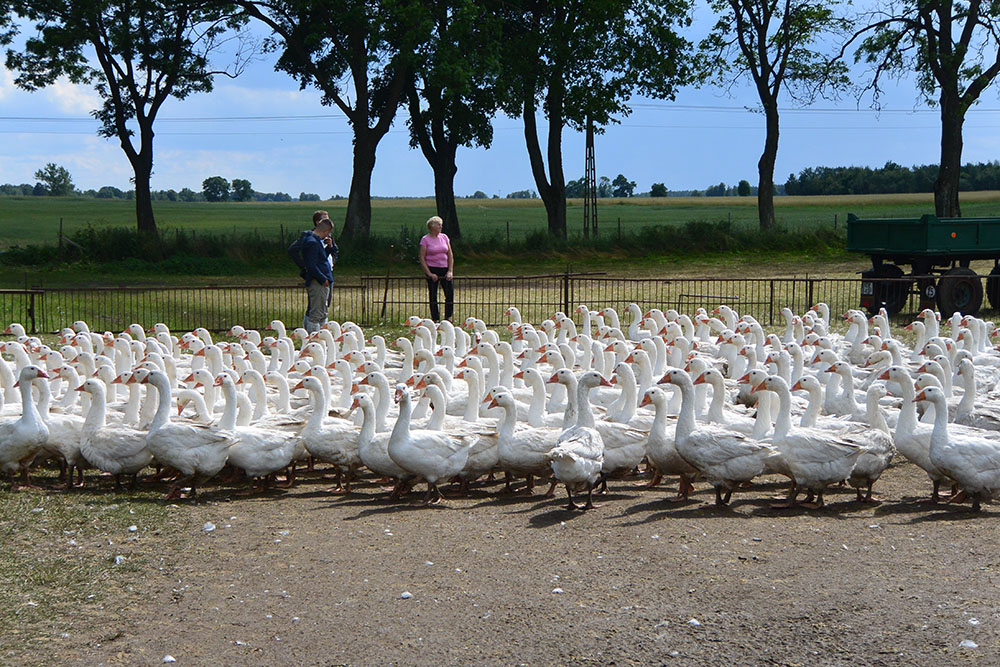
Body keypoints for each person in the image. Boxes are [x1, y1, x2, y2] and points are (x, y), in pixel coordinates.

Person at [300, 216, 338, 333]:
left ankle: (320, 337)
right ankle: (314, 339)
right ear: (326, 231)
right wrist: (322, 279)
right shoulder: (312, 242)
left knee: (322, 312)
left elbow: (319, 259)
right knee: (316, 314)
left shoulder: (313, 241)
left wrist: (329, 248)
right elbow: (311, 265)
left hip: (322, 279)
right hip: (318, 282)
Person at [419, 215, 454, 322]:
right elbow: (421, 257)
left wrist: (450, 271)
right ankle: (435, 319)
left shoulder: (444, 237)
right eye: (438, 224)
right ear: (432, 226)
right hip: (432, 268)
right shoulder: (425, 239)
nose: (440, 226)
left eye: (441, 224)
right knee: (433, 294)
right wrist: (429, 273)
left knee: (449, 293)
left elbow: (450, 255)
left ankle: (448, 317)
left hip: (444, 268)